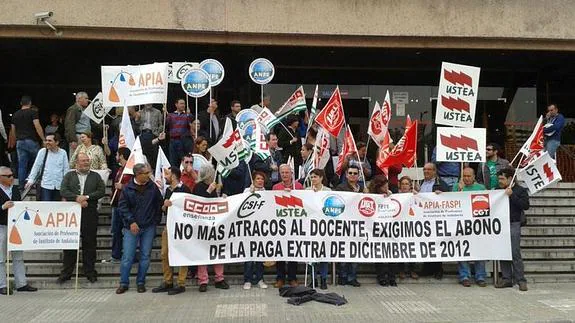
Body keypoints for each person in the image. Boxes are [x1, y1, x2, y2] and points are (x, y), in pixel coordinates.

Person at [57, 153, 106, 284]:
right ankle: (66, 273)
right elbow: (63, 190)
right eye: (83, 161)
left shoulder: (96, 176)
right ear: (76, 163)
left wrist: (87, 197)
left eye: (87, 161)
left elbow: (101, 191)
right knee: (69, 243)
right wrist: (76, 198)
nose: (85, 163)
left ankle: (90, 272)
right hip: (71, 214)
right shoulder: (69, 175)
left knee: (90, 243)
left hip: (89, 213)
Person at [116, 163, 163, 294]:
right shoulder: (127, 188)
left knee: (145, 256)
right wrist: (131, 222)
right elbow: (122, 207)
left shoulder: (152, 187)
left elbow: (159, 204)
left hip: (148, 226)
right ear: (138, 174)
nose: (149, 175)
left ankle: (141, 281)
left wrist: (155, 220)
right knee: (127, 257)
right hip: (131, 228)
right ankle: (123, 283)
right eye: (146, 173)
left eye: (149, 172)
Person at [153, 168, 192, 295]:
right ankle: (168, 281)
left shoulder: (185, 189)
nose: (165, 176)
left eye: (168, 174)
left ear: (174, 176)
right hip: (168, 226)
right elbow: (164, 209)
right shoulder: (168, 190)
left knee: (181, 253)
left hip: (181, 227)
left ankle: (181, 283)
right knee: (165, 253)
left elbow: (188, 207)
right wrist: (164, 205)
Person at [0, 166, 37, 295]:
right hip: (2, 226)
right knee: (1, 258)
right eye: (8, 176)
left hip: (15, 226)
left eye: (12, 175)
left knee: (18, 256)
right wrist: (2, 207)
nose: (11, 178)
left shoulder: (15, 189)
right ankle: (2, 285)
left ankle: (21, 283)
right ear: (1, 177)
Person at [193, 165, 228, 292]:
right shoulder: (198, 186)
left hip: (215, 225)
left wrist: (221, 198)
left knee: (217, 251)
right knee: (203, 252)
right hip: (202, 225)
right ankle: (203, 280)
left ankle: (219, 278)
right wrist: (208, 191)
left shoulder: (215, 186)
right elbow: (198, 203)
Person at [495, 168, 530, 291]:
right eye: (499, 178)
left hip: (513, 223)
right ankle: (506, 278)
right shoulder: (497, 190)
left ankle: (521, 280)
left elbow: (525, 206)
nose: (499, 181)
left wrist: (512, 195)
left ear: (510, 179)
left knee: (515, 252)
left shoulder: (520, 190)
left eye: (502, 179)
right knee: (503, 252)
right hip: (500, 225)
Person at [453, 167, 487, 287]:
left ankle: (480, 276)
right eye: (464, 176)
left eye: (468, 176)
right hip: (461, 224)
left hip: (477, 225)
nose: (466, 178)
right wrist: (459, 191)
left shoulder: (481, 188)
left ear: (473, 177)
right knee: (463, 250)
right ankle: (464, 276)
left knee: (480, 250)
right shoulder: (457, 187)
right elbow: (452, 203)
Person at [272, 164, 303, 288]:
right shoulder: (275, 187)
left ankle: (292, 278)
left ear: (291, 173)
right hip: (280, 224)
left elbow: (304, 203)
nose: (284, 175)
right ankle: (280, 278)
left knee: (292, 252)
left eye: (287, 172)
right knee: (280, 251)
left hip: (295, 224)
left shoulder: (299, 186)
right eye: (282, 172)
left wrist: (293, 195)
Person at [418, 162, 449, 279]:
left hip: (436, 218)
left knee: (436, 243)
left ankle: (438, 269)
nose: (426, 171)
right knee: (426, 244)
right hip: (422, 219)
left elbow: (449, 198)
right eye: (425, 169)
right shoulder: (419, 183)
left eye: (429, 170)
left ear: (435, 171)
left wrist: (442, 195)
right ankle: (427, 268)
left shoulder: (441, 184)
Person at [335, 164, 363, 287]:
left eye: (355, 173)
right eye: (350, 173)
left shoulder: (363, 189)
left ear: (359, 175)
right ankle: (342, 276)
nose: (352, 175)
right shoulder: (340, 188)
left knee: (355, 252)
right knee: (343, 251)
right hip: (343, 225)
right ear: (346, 175)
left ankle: (352, 277)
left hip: (358, 225)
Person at [369, 176, 399, 287]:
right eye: (384, 185)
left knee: (392, 254)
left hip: (390, 228)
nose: (386, 186)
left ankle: (392, 277)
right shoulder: (372, 195)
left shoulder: (391, 194)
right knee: (380, 255)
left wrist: (390, 197)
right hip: (377, 229)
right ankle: (381, 277)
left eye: (387, 184)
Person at [8, 95, 45, 187]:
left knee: (22, 164)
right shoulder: (33, 113)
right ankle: (34, 182)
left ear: (21, 103)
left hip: (20, 141)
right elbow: (37, 126)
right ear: (30, 103)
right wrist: (43, 139)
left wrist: (14, 141)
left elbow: (13, 130)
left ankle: (21, 185)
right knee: (37, 161)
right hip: (31, 140)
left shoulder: (15, 114)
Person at [242, 171, 269, 290]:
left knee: (259, 255)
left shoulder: (267, 193)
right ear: (253, 180)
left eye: (262, 179)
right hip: (248, 228)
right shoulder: (247, 191)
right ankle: (247, 280)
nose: (260, 181)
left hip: (261, 228)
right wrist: (249, 194)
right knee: (248, 256)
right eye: (258, 179)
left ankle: (259, 279)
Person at [306, 168, 331, 290]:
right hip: (311, 227)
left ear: (321, 178)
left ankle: (323, 279)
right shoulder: (306, 191)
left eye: (315, 176)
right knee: (311, 255)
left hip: (324, 227)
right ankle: (313, 278)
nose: (313, 179)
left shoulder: (328, 191)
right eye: (311, 177)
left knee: (324, 255)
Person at [25, 133, 69, 201]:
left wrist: (66, 185)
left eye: (50, 141)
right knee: (46, 207)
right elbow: (36, 166)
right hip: (46, 185)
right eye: (46, 140)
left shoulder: (63, 153)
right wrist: (31, 180)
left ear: (57, 142)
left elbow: (66, 169)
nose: (47, 142)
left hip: (59, 186)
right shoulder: (42, 152)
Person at [107, 147, 132, 263]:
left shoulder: (131, 170)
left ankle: (128, 254)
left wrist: (123, 187)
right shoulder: (119, 169)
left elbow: (136, 187)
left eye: (117, 154)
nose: (116, 156)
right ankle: (116, 254)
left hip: (127, 206)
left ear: (121, 156)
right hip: (117, 204)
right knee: (116, 231)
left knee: (127, 231)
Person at [397, 176, 419, 280]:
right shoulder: (395, 196)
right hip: (400, 226)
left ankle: (412, 270)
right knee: (401, 248)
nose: (405, 186)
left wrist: (417, 196)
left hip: (412, 226)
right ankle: (401, 270)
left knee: (412, 247)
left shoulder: (415, 196)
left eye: (407, 184)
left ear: (410, 185)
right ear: (400, 186)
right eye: (403, 184)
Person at [164, 98, 196, 167]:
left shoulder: (187, 115)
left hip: (183, 142)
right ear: (176, 104)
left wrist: (189, 114)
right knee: (173, 162)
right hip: (173, 141)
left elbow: (192, 120)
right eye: (181, 103)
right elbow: (165, 124)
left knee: (184, 162)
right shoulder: (171, 115)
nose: (183, 105)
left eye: (184, 104)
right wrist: (164, 114)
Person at [135, 104, 163, 169]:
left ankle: (154, 171)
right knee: (143, 154)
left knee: (153, 154)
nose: (148, 104)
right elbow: (136, 124)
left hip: (153, 135)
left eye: (150, 102)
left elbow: (161, 125)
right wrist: (137, 118)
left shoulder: (157, 112)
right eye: (147, 102)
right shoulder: (140, 112)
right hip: (143, 134)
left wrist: (157, 133)